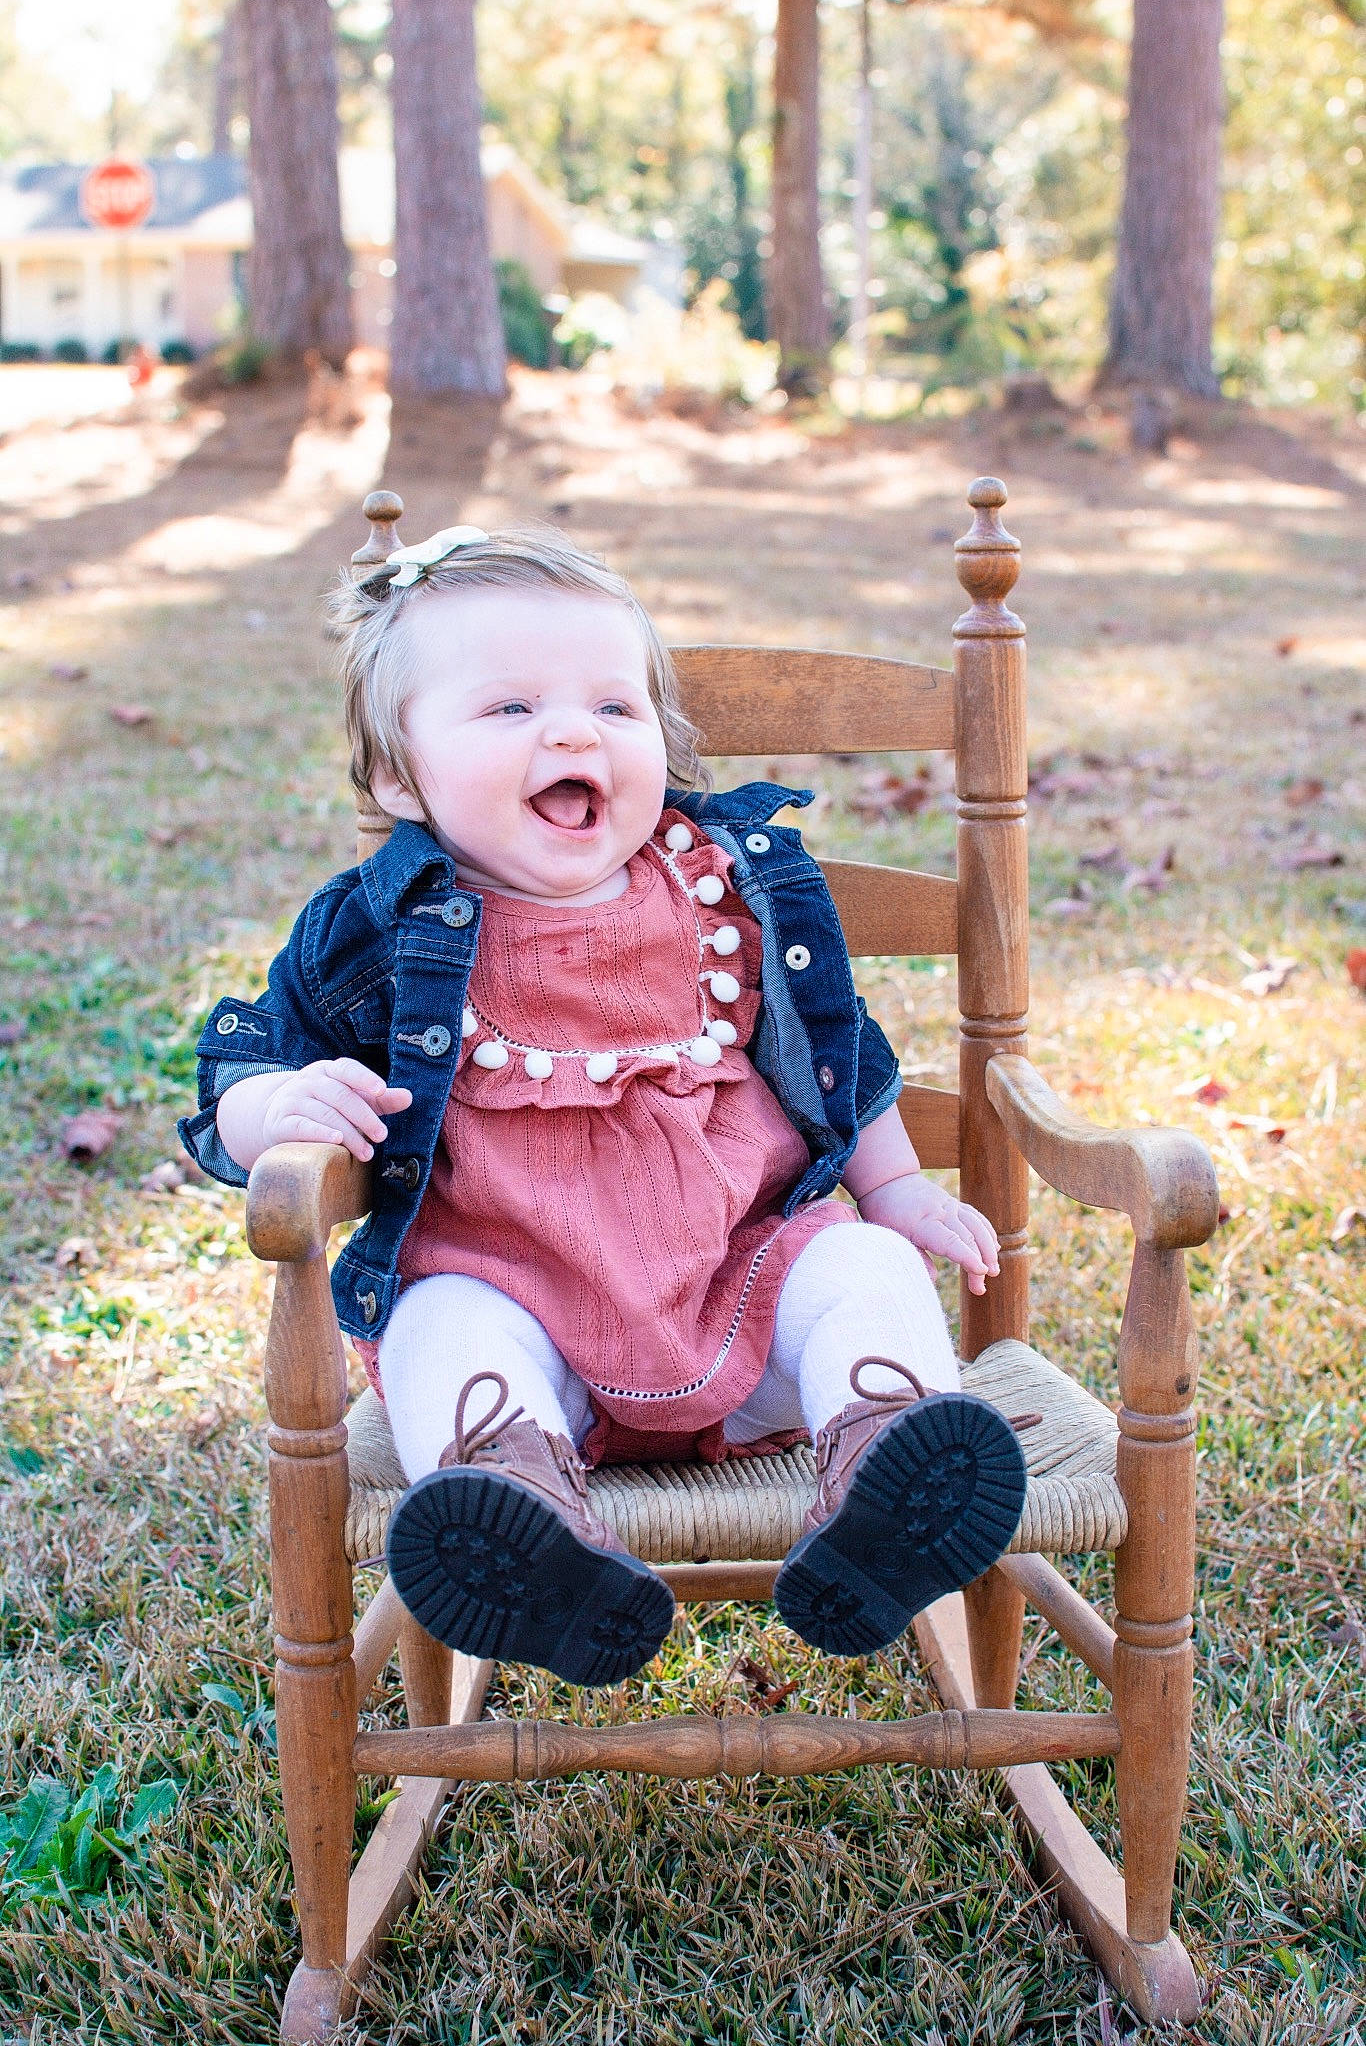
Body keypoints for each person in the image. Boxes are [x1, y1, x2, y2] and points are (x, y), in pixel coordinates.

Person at [180, 524, 1030, 1689]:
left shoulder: (730, 885)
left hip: (746, 1290)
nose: (573, 732)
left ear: (660, 742)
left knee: (866, 1272)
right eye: (510, 708)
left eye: (614, 709)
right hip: (525, 1324)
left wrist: (894, 1191)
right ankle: (517, 1522)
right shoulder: (377, 926)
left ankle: (888, 1467)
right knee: (441, 1329)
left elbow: (844, 1048)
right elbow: (243, 1060)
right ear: (398, 774)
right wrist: (276, 1106)